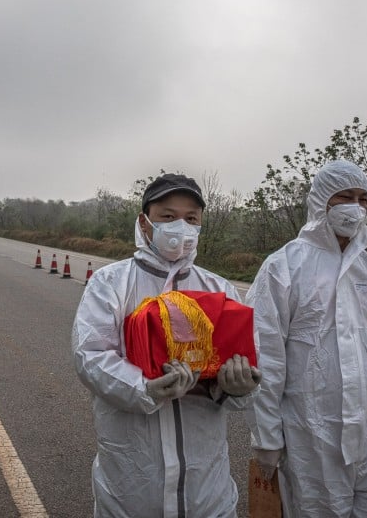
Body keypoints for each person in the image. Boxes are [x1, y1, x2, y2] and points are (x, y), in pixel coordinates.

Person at [72, 173, 262, 518]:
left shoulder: (220, 290)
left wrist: (239, 388)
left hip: (207, 486)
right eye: (168, 216)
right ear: (145, 223)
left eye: (191, 219)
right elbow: (91, 356)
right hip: (133, 479)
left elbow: (245, 359)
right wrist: (145, 388)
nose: (181, 227)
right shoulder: (110, 283)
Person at [246, 159, 367, 517]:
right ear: (322, 200)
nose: (355, 207)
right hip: (312, 439)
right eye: (345, 197)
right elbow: (266, 358)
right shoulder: (285, 267)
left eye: (363, 198)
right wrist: (267, 438)